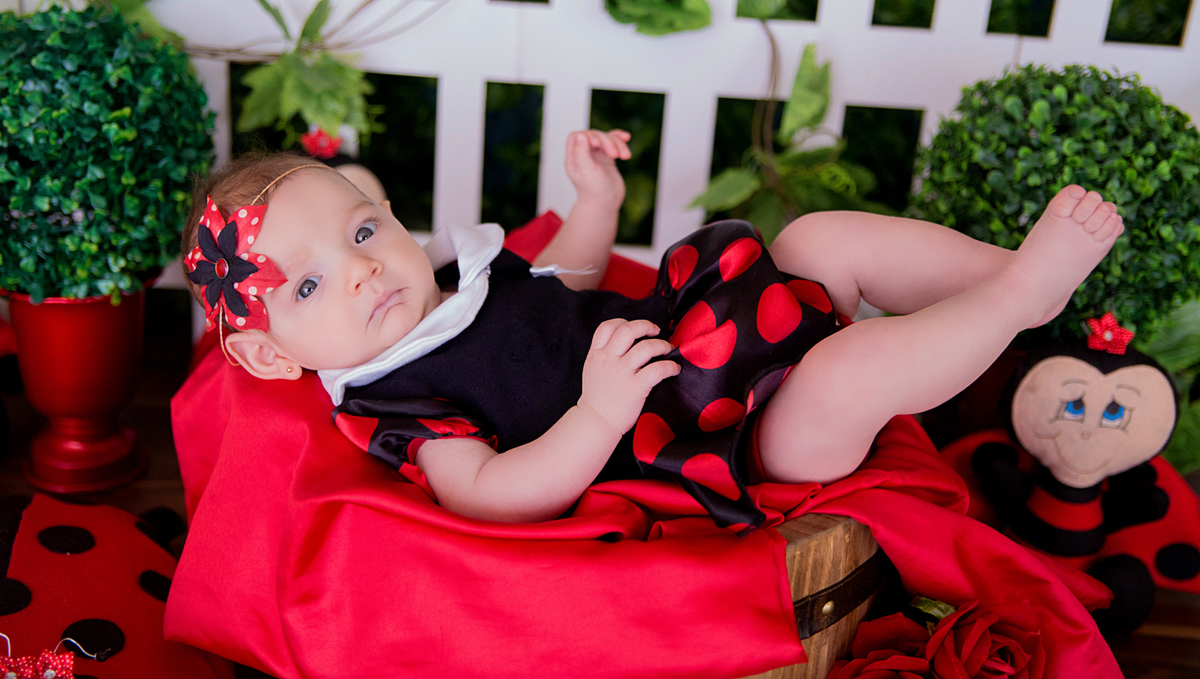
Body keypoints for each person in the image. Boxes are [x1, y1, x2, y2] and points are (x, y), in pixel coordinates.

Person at [182, 130, 1122, 531]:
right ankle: (1018, 301)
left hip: (697, 334)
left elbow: (564, 286)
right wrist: (596, 415)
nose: (360, 270)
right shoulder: (398, 400)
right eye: (310, 285)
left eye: (361, 233)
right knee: (843, 376)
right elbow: (490, 496)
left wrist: (596, 201)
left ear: (390, 215)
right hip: (725, 438)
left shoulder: (452, 285)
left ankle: (1003, 273)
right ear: (269, 353)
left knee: (815, 241)